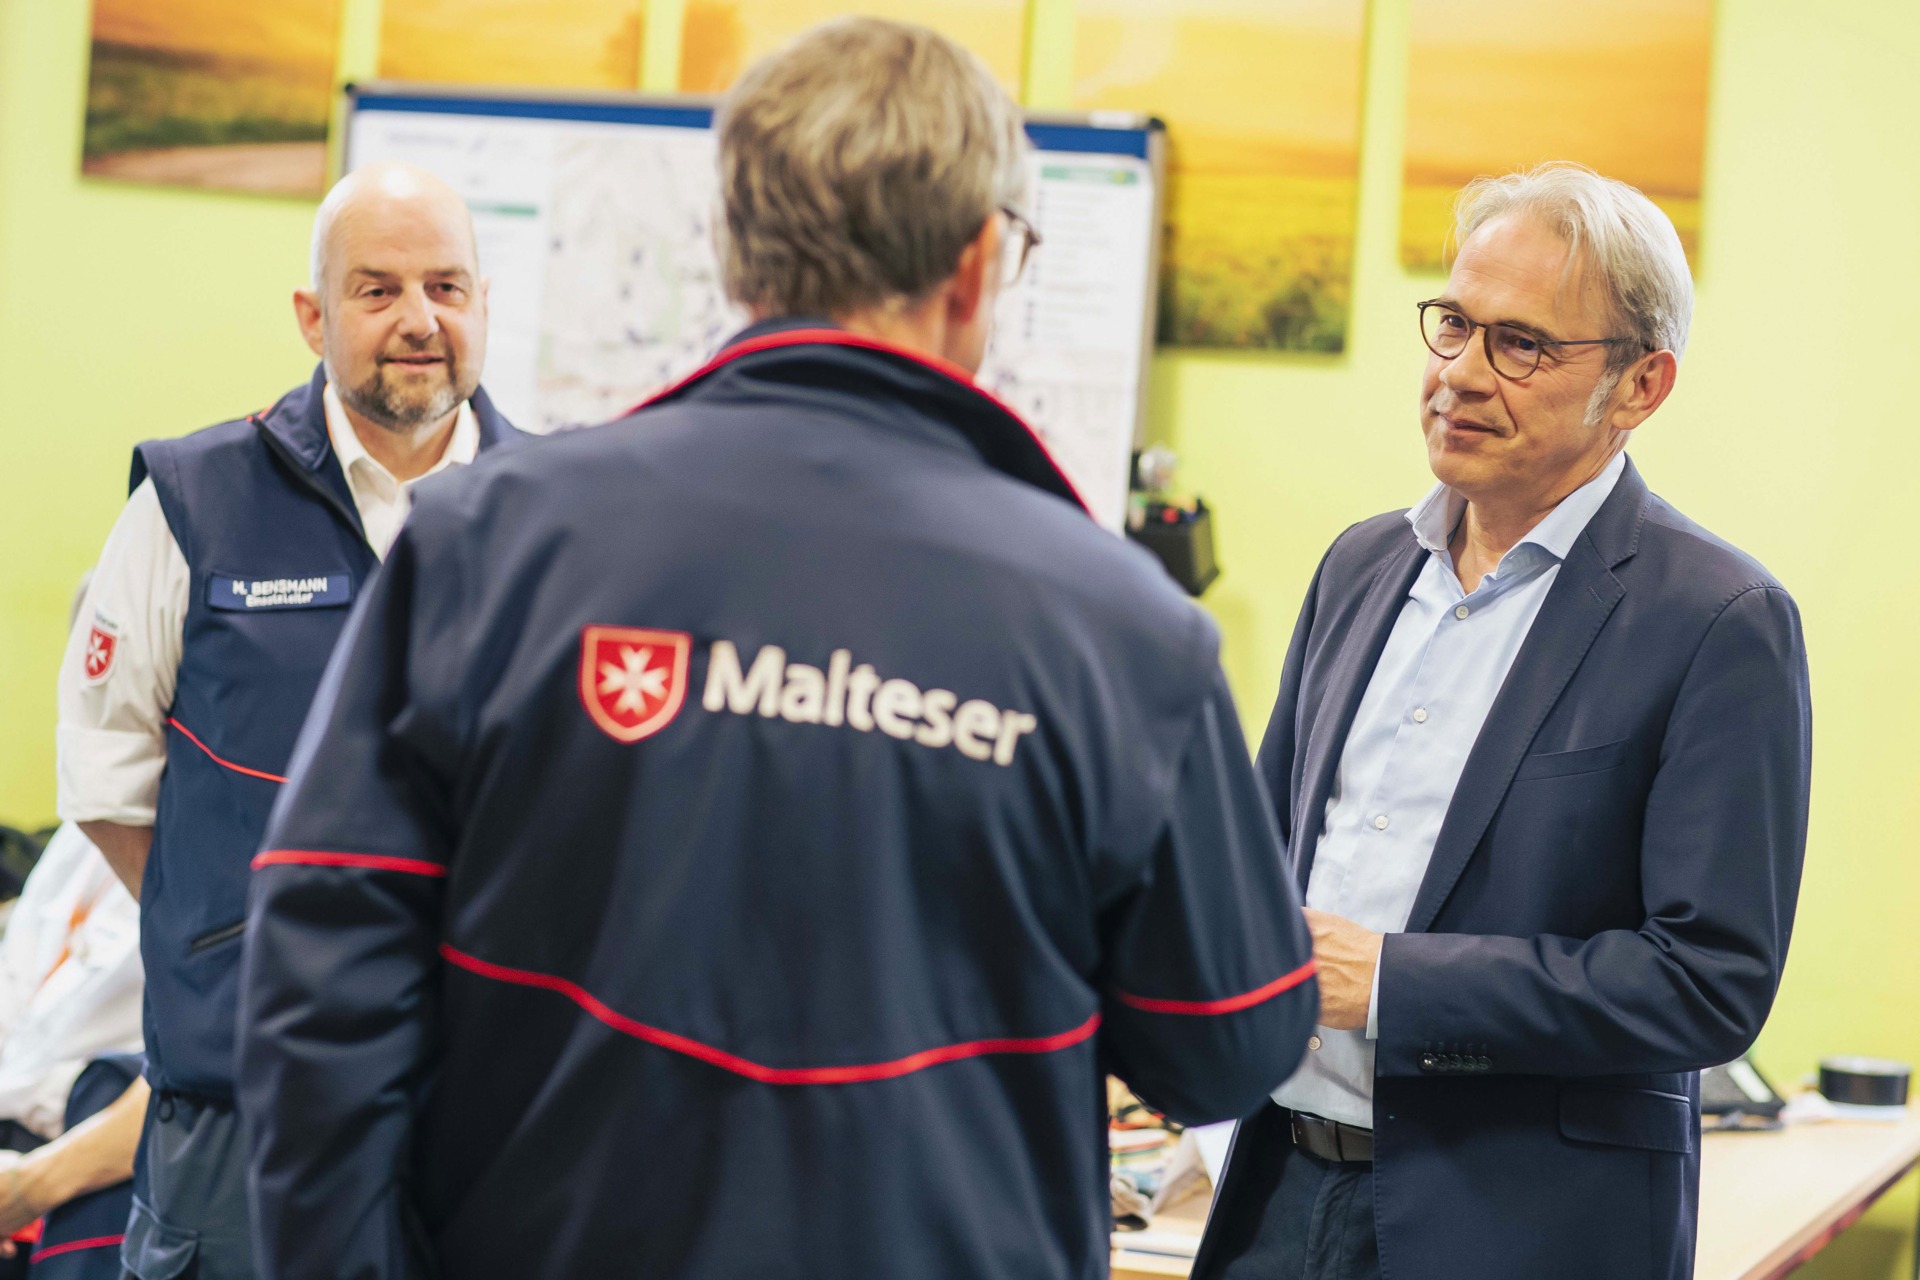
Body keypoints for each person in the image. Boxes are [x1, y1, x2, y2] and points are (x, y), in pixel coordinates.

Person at [238, 18, 1319, 1280]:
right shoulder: (1126, 629)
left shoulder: (490, 540)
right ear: (977, 267)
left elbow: (318, 976)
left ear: (731, 245)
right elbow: (1231, 1043)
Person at [1192, 161, 1812, 1280]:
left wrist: (1388, 981)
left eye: (1520, 344)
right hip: (1276, 1188)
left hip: (1517, 1225)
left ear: (1641, 384)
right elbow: (1255, 852)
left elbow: (1708, 981)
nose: (1459, 376)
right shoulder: (1360, 564)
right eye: (1452, 326)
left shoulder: (1720, 620)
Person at [55, 162, 522, 1279]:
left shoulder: (562, 518)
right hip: (236, 1113)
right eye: (377, 290)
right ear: (313, 315)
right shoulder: (191, 501)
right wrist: (237, 932)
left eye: (447, 287)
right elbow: (107, 773)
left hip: (486, 1120)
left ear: (484, 305)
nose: (419, 321)